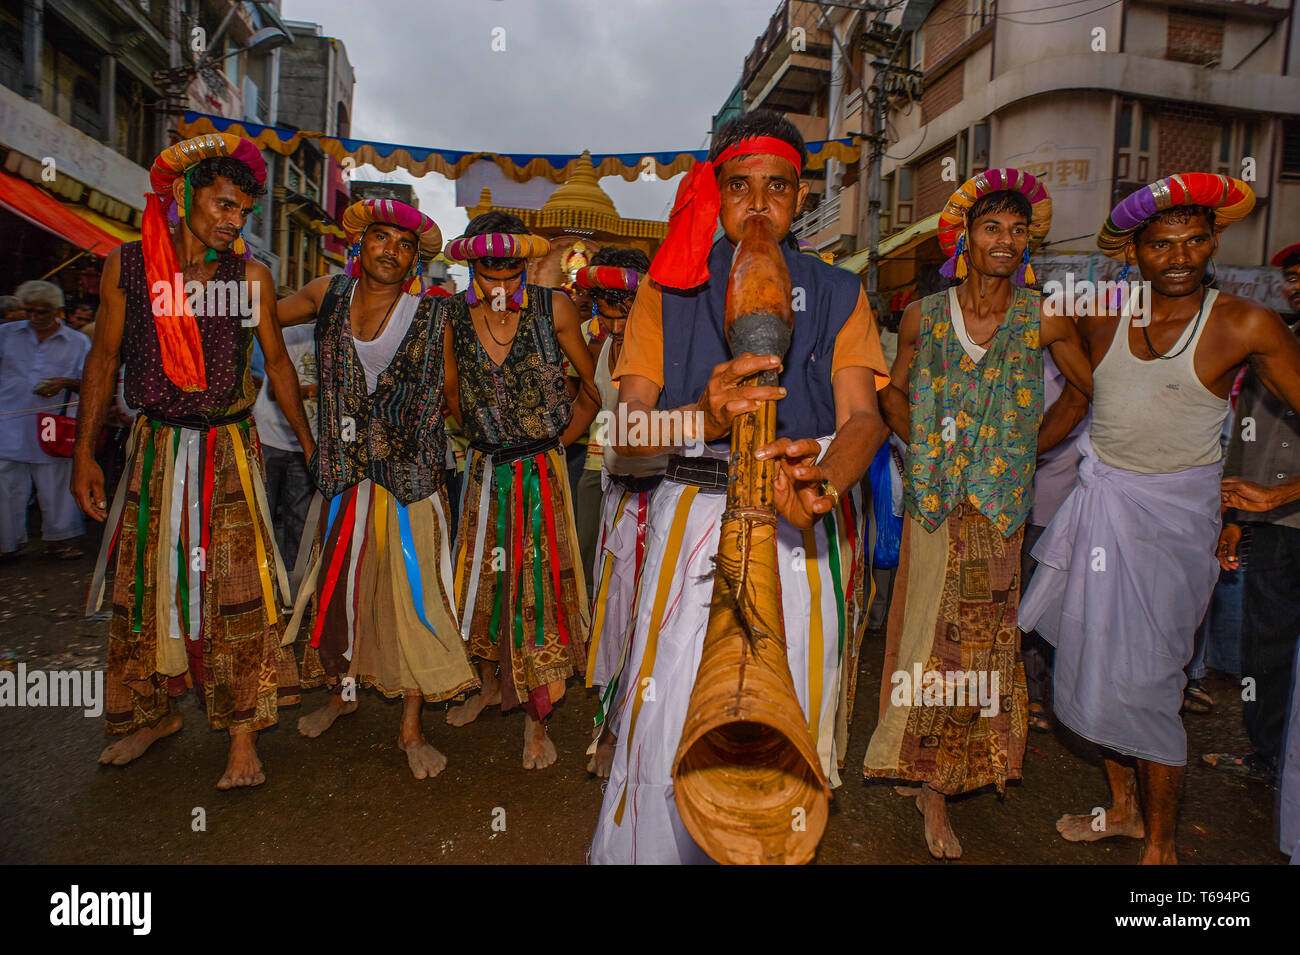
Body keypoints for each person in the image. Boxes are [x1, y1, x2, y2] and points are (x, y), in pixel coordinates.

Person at [590, 110, 890, 864]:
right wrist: (700, 416)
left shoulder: (838, 291)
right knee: (672, 711)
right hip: (691, 507)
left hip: (798, 526)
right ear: (716, 192)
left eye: (778, 187)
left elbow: (865, 420)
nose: (758, 205)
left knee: (782, 716)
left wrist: (820, 479)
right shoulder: (670, 287)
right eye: (740, 187)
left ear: (799, 196)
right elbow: (625, 435)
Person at [1019, 173, 1300, 864]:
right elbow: (1060, 387)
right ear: (1134, 252)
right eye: (1162, 244)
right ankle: (1123, 810)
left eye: (1195, 240)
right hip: (1098, 509)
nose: (1180, 257)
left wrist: (1280, 493)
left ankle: (1164, 849)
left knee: (1149, 680)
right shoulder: (1100, 315)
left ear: (1213, 242)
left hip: (1177, 527)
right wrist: (1011, 454)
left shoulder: (1245, 322)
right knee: (1090, 664)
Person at [863, 170, 1092, 860]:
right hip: (934, 506)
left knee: (979, 645)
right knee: (919, 634)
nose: (1007, 240)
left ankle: (944, 780)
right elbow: (890, 393)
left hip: (996, 512)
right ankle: (919, 769)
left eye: (1018, 230)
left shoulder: (1042, 317)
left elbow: (1085, 392)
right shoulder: (923, 317)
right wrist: (921, 446)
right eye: (992, 227)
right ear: (965, 236)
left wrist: (1025, 451)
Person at [73, 133, 312, 790]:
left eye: (243, 212)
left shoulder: (251, 278)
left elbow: (281, 366)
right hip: (153, 450)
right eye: (225, 206)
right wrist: (83, 456)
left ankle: (242, 737)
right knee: (150, 589)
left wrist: (313, 446)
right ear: (184, 197)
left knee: (237, 591)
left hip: (229, 451)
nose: (235, 222)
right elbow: (101, 362)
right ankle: (153, 714)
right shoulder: (127, 269)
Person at [276, 198, 477, 779]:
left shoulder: (434, 315)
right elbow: (259, 314)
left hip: (410, 482)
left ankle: (411, 727)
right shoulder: (326, 293)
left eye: (405, 243)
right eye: (382, 238)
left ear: (416, 258)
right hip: (345, 479)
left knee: (413, 597)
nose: (392, 249)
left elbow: (455, 396)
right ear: (360, 245)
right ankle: (342, 693)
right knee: (342, 591)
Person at [441, 212, 598, 770]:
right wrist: (486, 443)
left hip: (541, 476)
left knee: (539, 592)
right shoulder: (452, 320)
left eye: (512, 265)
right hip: (485, 474)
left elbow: (590, 392)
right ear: (471, 264)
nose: (503, 277)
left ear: (525, 263)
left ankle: (538, 720)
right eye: (491, 265)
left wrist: (553, 445)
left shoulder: (554, 309)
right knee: (484, 584)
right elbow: (452, 399)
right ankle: (487, 686)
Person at [1202, 241, 1300, 782]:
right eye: (1292, 276)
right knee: (1266, 645)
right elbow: (1247, 433)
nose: (1297, 285)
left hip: (1283, 507)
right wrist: (1235, 519)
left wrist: (1284, 494)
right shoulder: (1271, 343)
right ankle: (1267, 755)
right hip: (1273, 526)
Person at [571, 248, 663, 778]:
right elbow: (592, 404)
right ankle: (613, 714)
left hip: (655, 489)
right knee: (611, 598)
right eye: (603, 314)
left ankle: (632, 724)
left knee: (644, 603)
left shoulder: (662, 351)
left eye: (621, 314)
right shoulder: (601, 349)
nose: (610, 325)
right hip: (608, 482)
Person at [0, 280, 90, 559]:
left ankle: (59, 541)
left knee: (56, 483)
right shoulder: (6, 334)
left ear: (57, 311)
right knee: (6, 486)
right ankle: (7, 543)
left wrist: (64, 382)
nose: (35, 318)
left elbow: (89, 381)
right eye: (30, 311)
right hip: (8, 421)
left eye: (42, 312)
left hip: (51, 426)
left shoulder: (77, 342)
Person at [250, 321, 317, 572]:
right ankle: (260, 582)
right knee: (261, 516)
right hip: (270, 438)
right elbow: (273, 391)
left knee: (300, 523)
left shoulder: (342, 342)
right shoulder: (293, 335)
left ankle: (292, 587)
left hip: (305, 445)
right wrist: (314, 390)